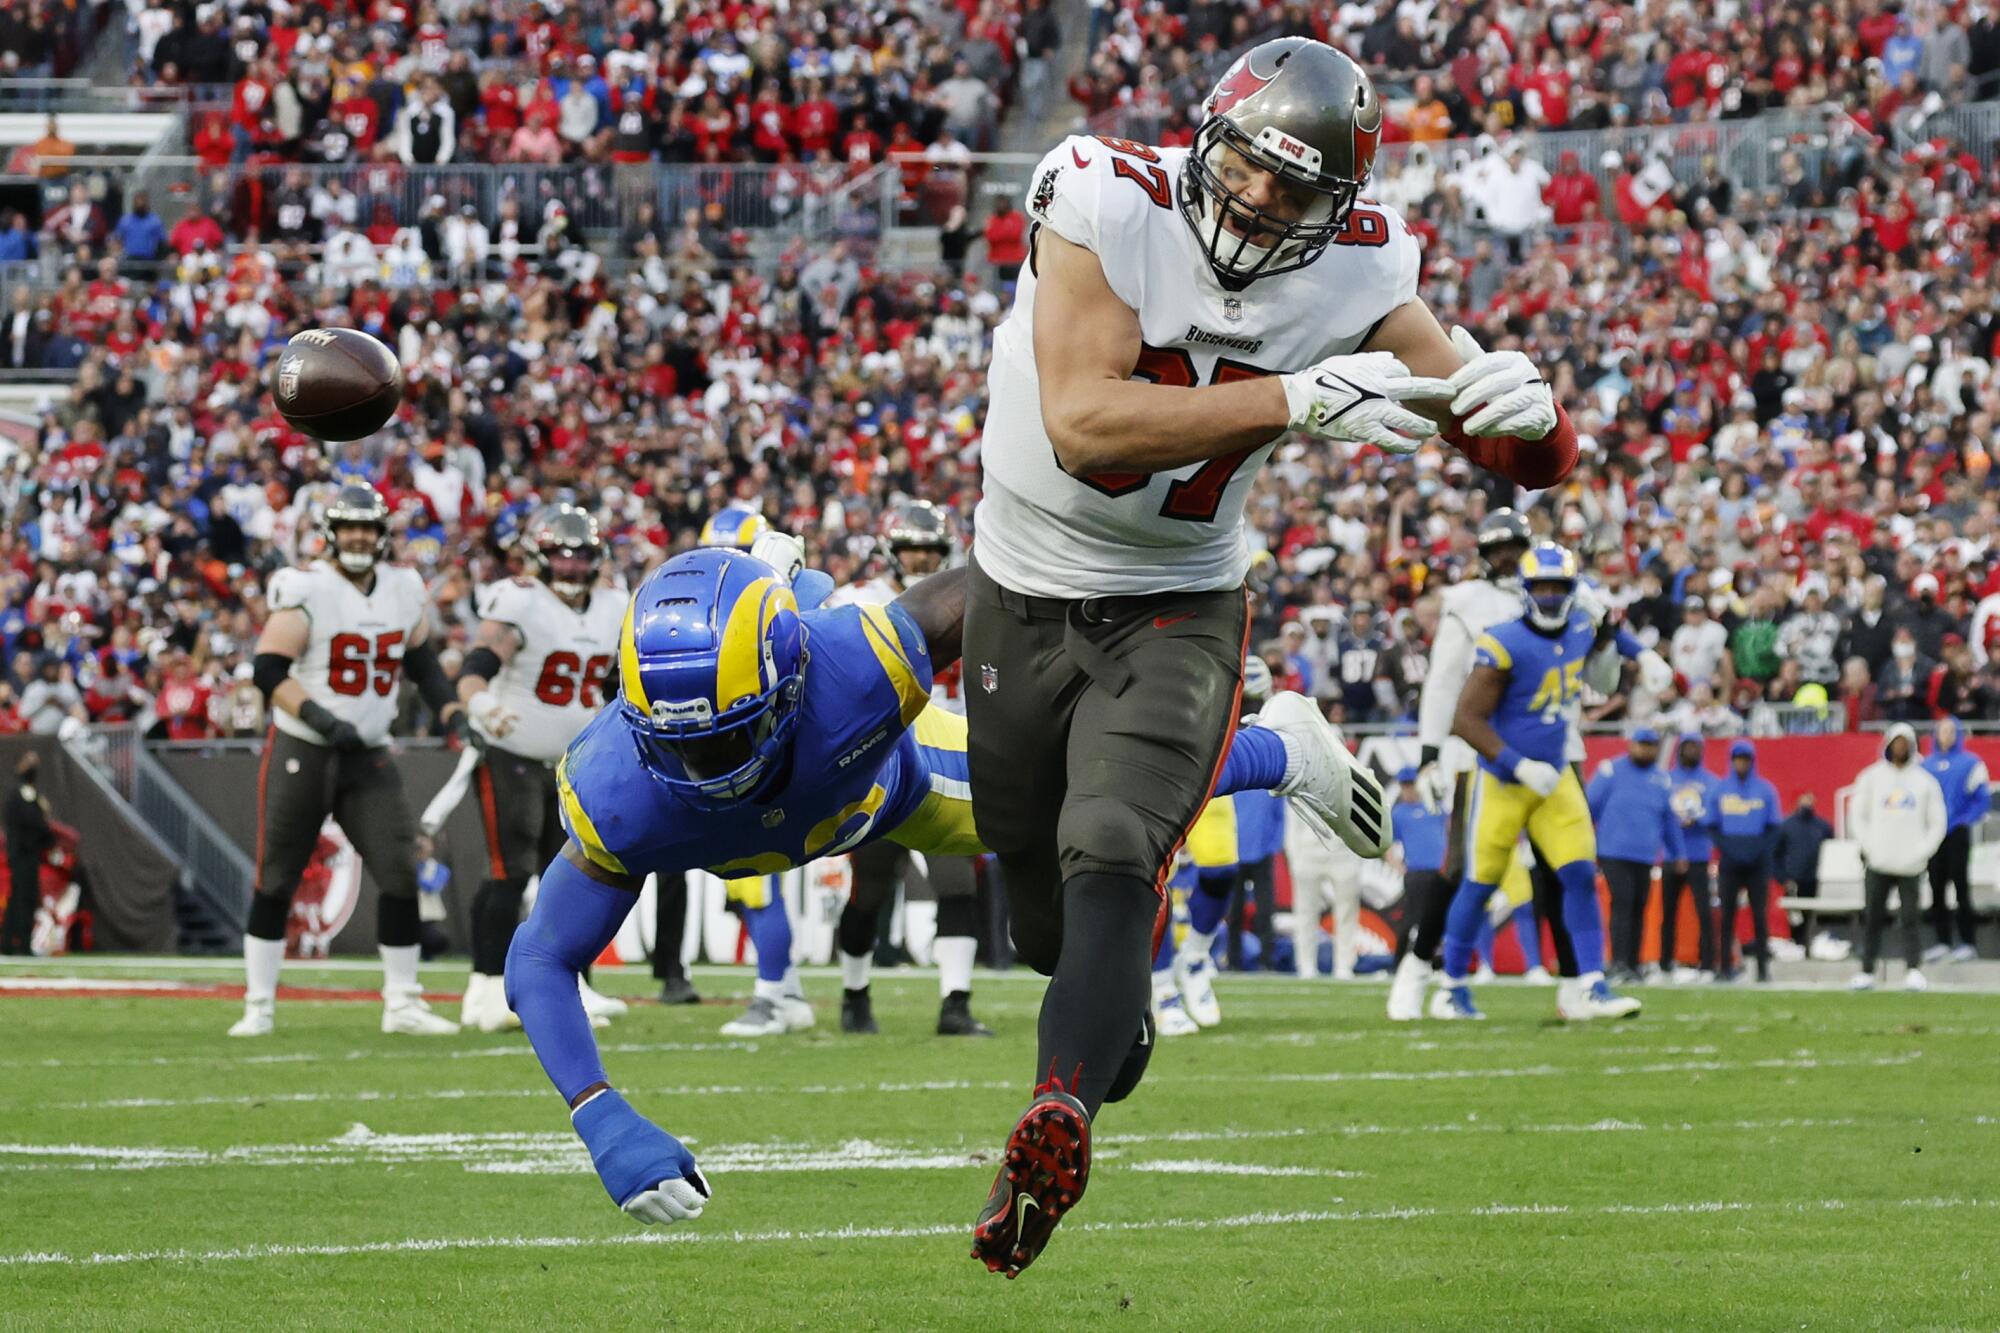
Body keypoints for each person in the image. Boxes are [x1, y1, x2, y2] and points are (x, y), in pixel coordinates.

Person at [961, 35, 1578, 1276]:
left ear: (1335, 206)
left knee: (1113, 848)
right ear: (1207, 138)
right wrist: (1296, 399)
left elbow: (1496, 442)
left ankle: (1055, 1114)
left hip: (1180, 601)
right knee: (1044, 931)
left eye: (1293, 190)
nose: (1255, 200)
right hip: (1019, 585)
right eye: (1245, 166)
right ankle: (1274, 755)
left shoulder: (1361, 270)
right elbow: (1083, 427)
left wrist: (1533, 424)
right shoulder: (1101, 195)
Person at [503, 548, 1353, 1230]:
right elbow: (539, 956)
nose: (709, 770)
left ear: (790, 684)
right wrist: (599, 1113)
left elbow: (1006, 574)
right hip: (820, 812)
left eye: (731, 739)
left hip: (896, 787)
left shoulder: (854, 666)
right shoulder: (617, 784)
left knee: (1090, 821)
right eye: (684, 746)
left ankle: (1281, 750)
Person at [226, 483, 469, 1038]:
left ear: (383, 535)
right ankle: (259, 1004)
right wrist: (320, 719)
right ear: (331, 534)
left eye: (368, 527)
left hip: (367, 752)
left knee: (400, 870)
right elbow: (268, 669)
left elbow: (424, 664)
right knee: (277, 877)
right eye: (350, 527)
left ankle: (402, 1002)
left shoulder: (405, 589)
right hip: (305, 748)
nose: (359, 536)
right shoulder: (306, 585)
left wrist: (452, 712)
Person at [1437, 543, 1637, 1022]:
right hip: (1506, 778)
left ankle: (1591, 984)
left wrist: (1642, 657)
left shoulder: (1581, 626)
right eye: (1541, 588)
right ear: (1525, 591)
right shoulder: (1502, 641)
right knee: (1481, 882)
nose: (1549, 597)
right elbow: (1465, 719)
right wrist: (1516, 763)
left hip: (1556, 774)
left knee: (1580, 874)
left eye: (1558, 588)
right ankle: (1450, 986)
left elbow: (1611, 636)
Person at [450, 504, 631, 1033]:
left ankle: (575, 985)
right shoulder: (519, 600)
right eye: (561, 557)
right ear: (539, 557)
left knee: (582, 874)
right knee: (509, 870)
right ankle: (483, 988)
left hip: (576, 765)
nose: (572, 569)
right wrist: (481, 706)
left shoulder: (615, 603)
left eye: (581, 559)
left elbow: (618, 682)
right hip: (514, 754)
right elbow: (477, 665)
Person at [826, 501, 991, 1038]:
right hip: (883, 760)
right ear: (890, 553)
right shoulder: (859, 603)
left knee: (958, 881)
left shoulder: (980, 606)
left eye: (929, 551)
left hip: (952, 759)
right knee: (870, 889)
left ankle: (956, 1003)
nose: (921, 560)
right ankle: (854, 993)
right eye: (911, 550)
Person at [1848, 723, 1946, 991]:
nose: (1901, 749)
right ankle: (1867, 969)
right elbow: (1857, 816)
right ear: (1888, 745)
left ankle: (1913, 969)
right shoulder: (1870, 778)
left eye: (1905, 743)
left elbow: (1937, 822)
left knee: (1911, 919)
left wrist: (1922, 851)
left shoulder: (1925, 782)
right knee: (1873, 917)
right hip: (1878, 861)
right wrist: (1870, 847)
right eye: (1896, 743)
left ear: (1913, 746)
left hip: (1911, 864)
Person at [1587, 726, 1685, 983]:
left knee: (1639, 907)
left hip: (1645, 854)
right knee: (1623, 902)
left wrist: (1678, 852)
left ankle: (1633, 962)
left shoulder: (1661, 779)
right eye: (1641, 744)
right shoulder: (1611, 771)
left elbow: (1669, 821)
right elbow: (1588, 808)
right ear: (1632, 745)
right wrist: (1590, 845)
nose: (1645, 749)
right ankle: (1618, 961)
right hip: (1614, 852)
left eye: (1651, 745)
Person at [1707, 739, 1781, 983]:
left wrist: (1756, 851)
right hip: (1729, 860)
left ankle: (1762, 969)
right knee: (1727, 916)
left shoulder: (1765, 789)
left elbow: (1773, 828)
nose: (1741, 763)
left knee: (1760, 916)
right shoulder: (1720, 789)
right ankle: (1725, 968)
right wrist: (1729, 849)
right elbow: (1712, 826)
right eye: (1737, 759)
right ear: (1732, 761)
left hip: (1757, 862)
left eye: (1745, 759)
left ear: (1752, 761)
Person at [1920, 717, 1989, 963]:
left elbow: (1982, 798)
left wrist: (1963, 820)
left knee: (1961, 887)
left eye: (1950, 731)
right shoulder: (1925, 766)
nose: (1946, 736)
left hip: (1957, 833)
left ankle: (1968, 942)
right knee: (1936, 888)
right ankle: (1942, 942)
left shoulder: (1970, 763)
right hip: (1934, 835)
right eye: (1941, 731)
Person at [1384, 764, 1446, 1016]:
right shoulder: (1398, 813)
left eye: (1411, 784)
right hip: (1417, 873)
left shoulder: (1436, 809)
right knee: (1411, 920)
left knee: (1438, 921)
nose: (1408, 789)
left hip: (1438, 872)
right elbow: (1386, 844)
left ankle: (1438, 965)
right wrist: (1399, 867)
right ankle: (1398, 964)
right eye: (1405, 784)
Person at [1661, 734, 1720, 981]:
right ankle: (1665, 964)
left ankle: (1707, 964)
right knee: (1668, 912)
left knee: (1704, 911)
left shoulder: (1711, 781)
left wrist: (1698, 817)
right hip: (1671, 854)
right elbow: (1660, 814)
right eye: (1687, 747)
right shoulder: (1667, 779)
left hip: (1698, 854)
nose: (1691, 751)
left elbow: (1715, 816)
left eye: (1696, 747)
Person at [2, 751, 53, 955]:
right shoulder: (22, 795)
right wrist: (47, 838)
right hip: (24, 854)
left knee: (17, 898)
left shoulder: (23, 794)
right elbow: (35, 823)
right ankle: (21, 944)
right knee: (25, 898)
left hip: (21, 853)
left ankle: (8, 943)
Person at [1774, 792, 1834, 955]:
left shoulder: (1823, 826)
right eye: (1804, 800)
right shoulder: (1786, 825)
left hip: (1816, 880)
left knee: (1812, 916)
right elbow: (1775, 854)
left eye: (1810, 800)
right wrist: (1783, 877)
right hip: (1793, 881)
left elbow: (1833, 851)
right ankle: (1797, 946)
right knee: (1795, 917)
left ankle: (1812, 947)